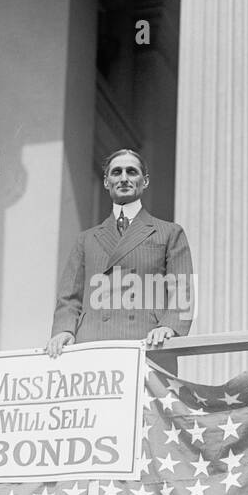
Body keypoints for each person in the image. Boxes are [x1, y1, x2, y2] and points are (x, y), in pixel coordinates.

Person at [46, 149, 194, 375]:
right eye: (116, 172)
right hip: (92, 348)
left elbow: (182, 290)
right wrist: (64, 330)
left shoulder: (169, 232)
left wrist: (169, 326)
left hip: (148, 343)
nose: (124, 178)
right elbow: (69, 297)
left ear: (144, 181)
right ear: (106, 182)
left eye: (131, 172)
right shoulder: (86, 239)